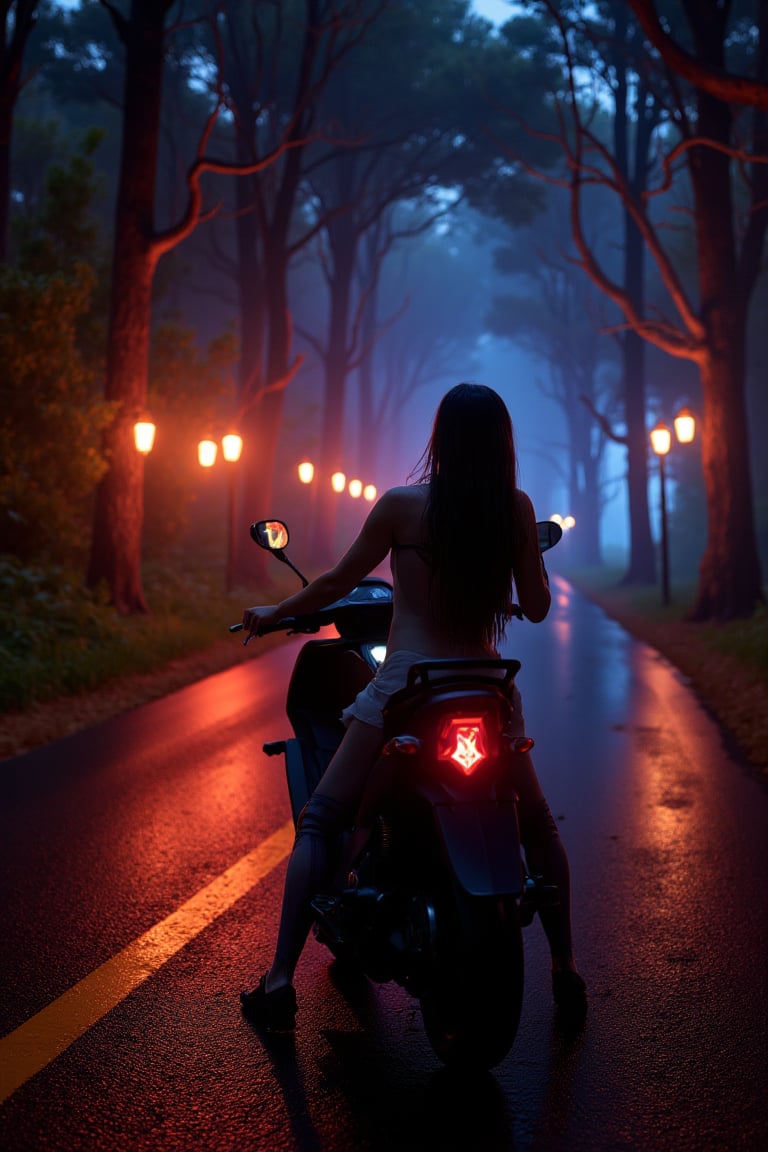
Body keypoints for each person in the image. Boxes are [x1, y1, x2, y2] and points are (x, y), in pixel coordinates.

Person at [239, 383, 586, 1031]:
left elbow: (338, 584)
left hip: (407, 687)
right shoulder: (513, 509)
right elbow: (536, 608)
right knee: (536, 822)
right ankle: (565, 966)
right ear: (502, 444)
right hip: (488, 687)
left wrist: (274, 611)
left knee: (321, 819)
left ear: (440, 438)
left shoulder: (402, 506)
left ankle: (281, 980)